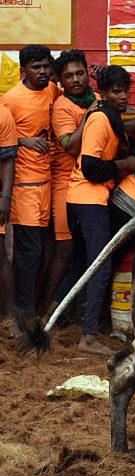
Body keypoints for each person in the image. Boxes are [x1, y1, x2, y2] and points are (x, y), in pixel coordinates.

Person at [54, 65, 135, 355]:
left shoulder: (112, 117)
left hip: (85, 199)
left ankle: (50, 316)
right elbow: (91, 167)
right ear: (104, 93)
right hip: (88, 198)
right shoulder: (99, 119)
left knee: (82, 263)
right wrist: (126, 165)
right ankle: (89, 336)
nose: (123, 97)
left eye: (125, 91)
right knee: (101, 264)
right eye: (116, 91)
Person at [0, 44, 62, 318]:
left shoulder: (51, 90)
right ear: (23, 71)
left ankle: (31, 307)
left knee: (43, 249)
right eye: (36, 67)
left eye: (46, 66)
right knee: (29, 251)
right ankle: (21, 312)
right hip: (23, 186)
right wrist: (24, 140)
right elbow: (4, 140)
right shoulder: (11, 100)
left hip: (47, 181)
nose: (43, 71)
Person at [42, 50, 98, 322]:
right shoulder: (63, 106)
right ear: (61, 81)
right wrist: (90, 115)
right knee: (64, 248)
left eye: (80, 73)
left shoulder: (95, 99)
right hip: (65, 184)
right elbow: (71, 146)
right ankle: (45, 312)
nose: (76, 80)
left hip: (90, 184)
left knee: (81, 251)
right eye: (69, 76)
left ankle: (62, 310)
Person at [0, 104, 17, 331]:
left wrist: (5, 196)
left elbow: (8, 160)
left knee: (0, 254)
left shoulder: (2, 114)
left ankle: (12, 320)